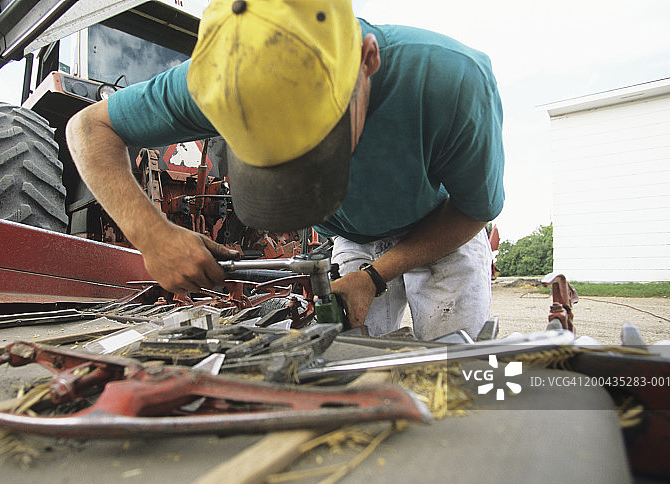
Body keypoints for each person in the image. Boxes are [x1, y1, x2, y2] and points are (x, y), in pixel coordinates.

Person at [66, 0, 504, 340]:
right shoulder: (213, 80)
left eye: (315, 145)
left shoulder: (451, 80)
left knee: (455, 365)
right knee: (355, 361)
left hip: (442, 229)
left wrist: (375, 275)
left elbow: (474, 210)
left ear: (367, 60)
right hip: (354, 237)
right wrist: (153, 235)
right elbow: (88, 128)